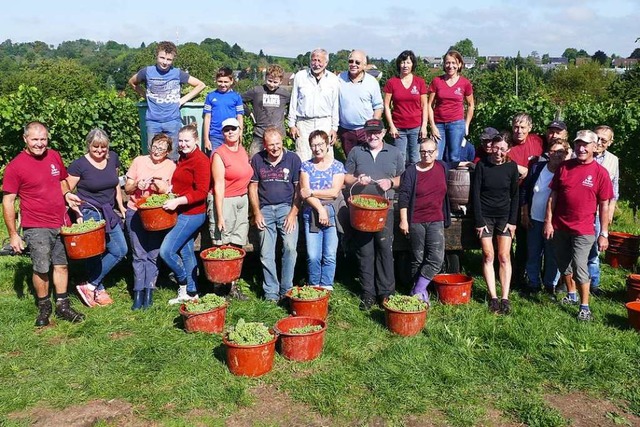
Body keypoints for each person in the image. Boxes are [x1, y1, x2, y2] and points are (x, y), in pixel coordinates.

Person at [2, 121, 85, 326]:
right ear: (25, 139)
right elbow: (8, 201)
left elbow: (62, 181)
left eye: (43, 139)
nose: (40, 144)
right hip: (36, 225)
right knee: (41, 267)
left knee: (62, 265)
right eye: (35, 139)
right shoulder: (15, 167)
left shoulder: (54, 155)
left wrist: (67, 195)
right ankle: (44, 306)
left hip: (61, 222)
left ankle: (62, 305)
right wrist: (13, 234)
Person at [543, 130, 613, 321]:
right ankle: (571, 294)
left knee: (580, 266)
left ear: (594, 147)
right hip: (560, 226)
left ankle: (584, 306)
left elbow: (604, 205)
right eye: (578, 144)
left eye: (585, 145)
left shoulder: (600, 173)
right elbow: (553, 196)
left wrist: (604, 233)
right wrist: (549, 222)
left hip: (583, 229)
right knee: (563, 262)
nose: (581, 148)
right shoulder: (564, 167)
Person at [345, 119, 404, 309]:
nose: (373, 136)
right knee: (365, 251)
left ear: (384, 132)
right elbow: (345, 177)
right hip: (362, 209)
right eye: (369, 132)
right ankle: (368, 292)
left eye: (376, 132)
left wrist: (391, 183)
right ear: (364, 133)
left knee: (385, 248)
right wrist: (357, 178)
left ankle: (386, 292)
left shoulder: (394, 152)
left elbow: (403, 177)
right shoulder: (356, 151)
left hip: (385, 209)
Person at [66, 129, 128, 307]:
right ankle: (98, 289)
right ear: (89, 145)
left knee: (120, 250)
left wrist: (121, 206)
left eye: (103, 147)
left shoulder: (112, 158)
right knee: (95, 252)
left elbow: (115, 183)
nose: (100, 151)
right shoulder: (79, 165)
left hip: (108, 210)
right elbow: (67, 190)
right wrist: (77, 213)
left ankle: (90, 285)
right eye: (96, 147)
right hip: (89, 210)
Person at [128, 41, 206, 161]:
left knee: (173, 155)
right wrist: (145, 95)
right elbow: (132, 82)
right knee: (154, 154)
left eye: (169, 59)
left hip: (172, 120)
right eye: (162, 58)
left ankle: (171, 179)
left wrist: (182, 100)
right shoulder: (147, 71)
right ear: (156, 56)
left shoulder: (177, 73)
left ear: (173, 59)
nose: (165, 62)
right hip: (153, 121)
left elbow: (200, 85)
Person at [123, 133, 176, 310]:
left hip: (157, 216)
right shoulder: (139, 161)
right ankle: (138, 292)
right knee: (139, 254)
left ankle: (149, 291)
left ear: (168, 152)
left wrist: (161, 188)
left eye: (162, 148)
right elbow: (128, 188)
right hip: (136, 212)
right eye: (155, 146)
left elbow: (171, 191)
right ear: (150, 146)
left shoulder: (171, 166)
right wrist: (137, 185)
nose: (157, 151)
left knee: (153, 254)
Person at [249, 127, 301, 302]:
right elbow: (253, 187)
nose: (275, 148)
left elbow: (298, 189)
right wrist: (256, 212)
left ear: (282, 142)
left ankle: (287, 289)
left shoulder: (292, 159)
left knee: (290, 247)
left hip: (286, 208)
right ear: (264, 145)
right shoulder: (257, 159)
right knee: (266, 252)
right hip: (265, 210)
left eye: (278, 144)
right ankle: (271, 292)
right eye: (271, 145)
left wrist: (293, 213)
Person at [160, 124, 210, 305]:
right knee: (186, 251)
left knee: (167, 251)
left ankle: (182, 280)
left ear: (196, 140)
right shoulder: (182, 158)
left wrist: (178, 201)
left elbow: (202, 192)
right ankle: (191, 292)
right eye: (180, 141)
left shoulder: (201, 160)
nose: (183, 144)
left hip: (193, 214)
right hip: (180, 211)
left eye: (187, 141)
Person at [398, 139, 451, 305]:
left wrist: (470, 163)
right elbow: (404, 197)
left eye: (430, 151)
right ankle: (420, 294)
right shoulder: (411, 172)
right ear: (419, 152)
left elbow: (456, 162)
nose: (426, 155)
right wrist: (403, 220)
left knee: (436, 257)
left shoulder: (442, 167)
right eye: (423, 152)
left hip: (436, 218)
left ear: (436, 152)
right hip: (416, 220)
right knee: (417, 258)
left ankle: (418, 289)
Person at [472, 133, 519, 314]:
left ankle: (505, 297)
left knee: (504, 256)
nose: (498, 152)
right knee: (488, 255)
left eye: (502, 149)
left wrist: (512, 221)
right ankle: (493, 297)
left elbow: (515, 195)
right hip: (485, 217)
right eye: (496, 148)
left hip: (504, 217)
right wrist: (479, 220)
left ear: (508, 150)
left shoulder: (511, 167)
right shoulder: (482, 166)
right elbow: (475, 194)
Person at [209, 117, 253, 299]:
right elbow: (218, 185)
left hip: (241, 200)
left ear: (239, 130)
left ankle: (233, 285)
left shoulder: (242, 150)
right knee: (223, 244)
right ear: (223, 133)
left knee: (236, 242)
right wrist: (219, 216)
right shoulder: (219, 154)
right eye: (226, 129)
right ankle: (220, 287)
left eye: (233, 129)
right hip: (225, 201)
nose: (230, 132)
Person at [300, 130, 346, 290]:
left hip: (332, 213)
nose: (317, 148)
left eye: (320, 144)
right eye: (313, 145)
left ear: (327, 145)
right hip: (311, 213)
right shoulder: (305, 166)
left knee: (330, 254)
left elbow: (334, 192)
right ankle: (314, 286)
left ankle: (326, 286)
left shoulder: (338, 166)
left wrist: (312, 192)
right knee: (313, 256)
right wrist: (320, 208)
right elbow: (304, 193)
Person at [521, 139, 569, 294]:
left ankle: (550, 285)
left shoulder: (567, 173)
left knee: (552, 255)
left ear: (566, 154)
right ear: (548, 153)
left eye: (560, 152)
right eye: (553, 151)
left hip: (555, 223)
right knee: (533, 252)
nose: (556, 155)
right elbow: (525, 191)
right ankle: (533, 283)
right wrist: (525, 213)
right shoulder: (537, 168)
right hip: (535, 219)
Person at [508, 113, 544, 287]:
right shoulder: (507, 146)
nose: (519, 131)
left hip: (531, 197)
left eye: (523, 127)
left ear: (530, 128)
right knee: (509, 238)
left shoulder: (538, 141)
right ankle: (512, 273)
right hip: (510, 197)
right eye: (516, 127)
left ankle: (524, 273)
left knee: (525, 240)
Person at [288, 48, 340, 161]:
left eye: (319, 61)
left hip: (325, 122)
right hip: (304, 123)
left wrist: (334, 128)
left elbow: (335, 105)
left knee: (325, 156)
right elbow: (293, 101)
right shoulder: (300, 76)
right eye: (314, 60)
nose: (316, 64)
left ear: (326, 63)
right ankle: (303, 179)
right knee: (303, 156)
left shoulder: (333, 79)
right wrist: (292, 124)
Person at [588, 125, 620, 295]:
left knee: (594, 249)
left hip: (600, 211)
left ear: (610, 143)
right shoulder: (583, 153)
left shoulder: (613, 160)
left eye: (604, 140)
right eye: (597, 138)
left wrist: (609, 215)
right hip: (581, 211)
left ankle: (593, 283)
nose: (599, 142)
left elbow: (614, 192)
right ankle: (571, 282)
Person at [427, 50, 475, 162]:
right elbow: (429, 105)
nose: (450, 66)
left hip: (457, 124)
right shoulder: (437, 81)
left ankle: (452, 179)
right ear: (444, 64)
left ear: (459, 65)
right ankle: (438, 179)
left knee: (454, 156)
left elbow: (471, 105)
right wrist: (432, 126)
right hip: (439, 125)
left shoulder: (465, 83)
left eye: (454, 63)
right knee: (436, 157)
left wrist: (466, 124)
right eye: (448, 63)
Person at [383, 50, 428, 165]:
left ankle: (415, 182)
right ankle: (401, 182)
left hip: (416, 127)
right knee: (400, 159)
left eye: (408, 62)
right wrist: (391, 126)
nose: (405, 65)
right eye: (403, 62)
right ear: (399, 64)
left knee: (415, 158)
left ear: (412, 64)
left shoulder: (420, 82)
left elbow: (425, 106)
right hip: (399, 128)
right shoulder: (392, 83)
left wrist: (424, 127)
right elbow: (386, 105)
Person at [337, 50, 384, 156]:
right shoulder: (339, 79)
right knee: (351, 162)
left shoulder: (372, 82)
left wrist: (373, 127)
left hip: (365, 130)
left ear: (364, 65)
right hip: (346, 131)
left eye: (357, 62)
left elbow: (378, 106)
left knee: (368, 160)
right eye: (351, 61)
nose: (353, 64)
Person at [242, 64, 290, 157]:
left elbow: (294, 105)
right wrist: (249, 113)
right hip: (260, 134)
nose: (272, 85)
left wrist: (286, 114)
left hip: (278, 134)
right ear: (265, 77)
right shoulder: (257, 91)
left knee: (278, 161)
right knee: (254, 159)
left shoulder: (285, 94)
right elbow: (239, 100)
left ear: (280, 81)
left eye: (275, 82)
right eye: (269, 81)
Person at [203, 67, 245, 153]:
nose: (222, 84)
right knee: (215, 161)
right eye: (220, 81)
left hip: (231, 135)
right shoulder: (210, 96)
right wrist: (206, 138)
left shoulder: (236, 97)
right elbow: (207, 117)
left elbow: (239, 117)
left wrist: (240, 134)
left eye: (226, 82)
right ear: (216, 81)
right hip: (215, 136)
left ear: (231, 81)